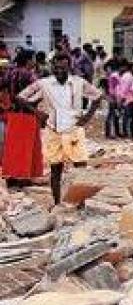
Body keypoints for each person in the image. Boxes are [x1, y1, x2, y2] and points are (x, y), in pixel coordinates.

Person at [17, 52, 104, 204]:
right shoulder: (43, 84)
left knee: (80, 167)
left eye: (63, 68)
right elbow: (21, 97)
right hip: (53, 130)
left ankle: (81, 202)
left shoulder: (78, 82)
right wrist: (37, 112)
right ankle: (57, 202)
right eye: (56, 68)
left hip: (74, 129)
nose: (59, 72)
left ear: (69, 67)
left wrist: (88, 116)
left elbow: (97, 96)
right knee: (56, 168)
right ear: (52, 68)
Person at [2, 50, 42, 184]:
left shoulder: (10, 72)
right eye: (33, 59)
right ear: (28, 60)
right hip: (27, 113)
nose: (34, 62)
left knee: (13, 146)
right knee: (26, 146)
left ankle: (12, 176)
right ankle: (23, 176)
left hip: (13, 113)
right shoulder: (30, 75)